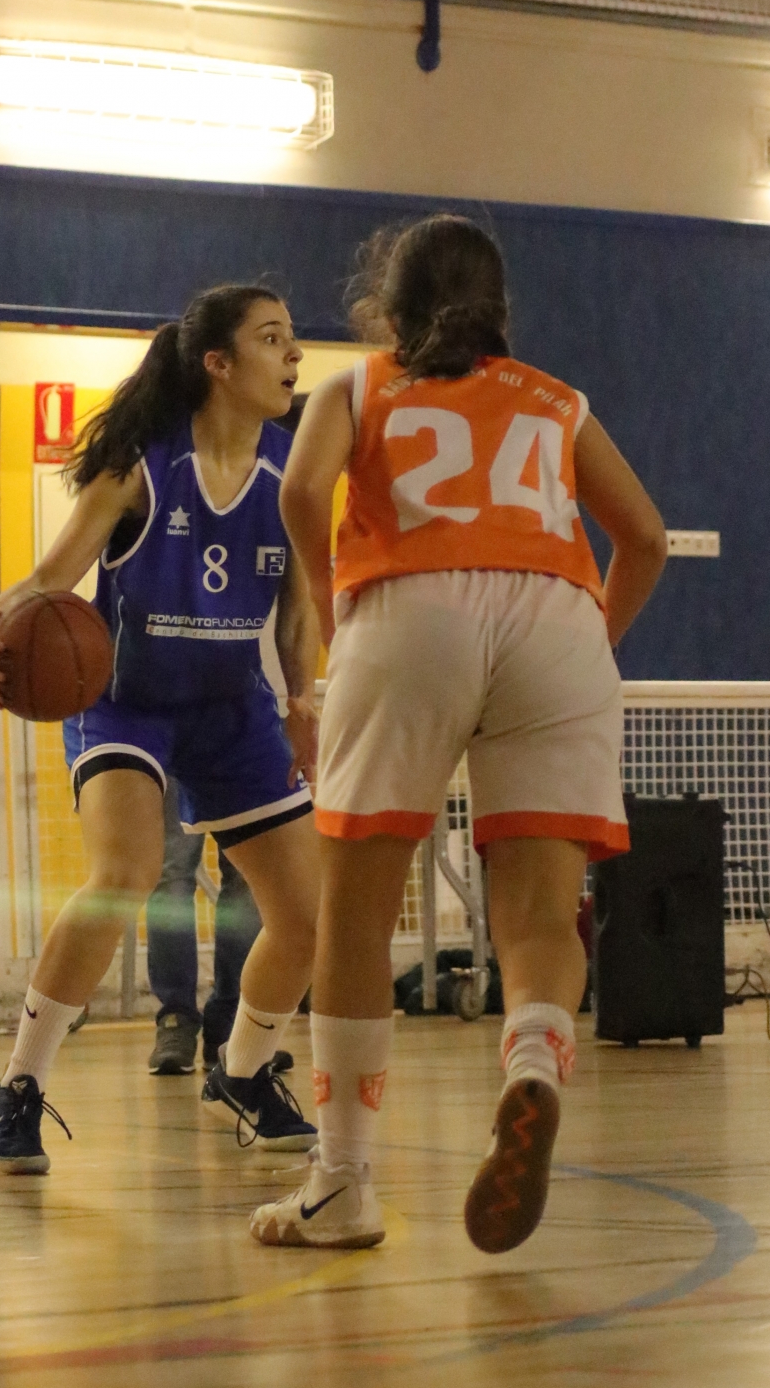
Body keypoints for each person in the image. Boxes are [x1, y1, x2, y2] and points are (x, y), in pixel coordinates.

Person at [253, 214, 667, 1250]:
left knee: (354, 914)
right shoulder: (555, 400)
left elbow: (301, 489)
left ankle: (341, 1183)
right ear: (498, 309)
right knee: (539, 915)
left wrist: (328, 598)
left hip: (410, 610)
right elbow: (646, 536)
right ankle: (531, 1063)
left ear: (388, 307)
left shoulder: (359, 386)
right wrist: (589, 644)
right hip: (556, 618)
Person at [0, 285, 323, 1172]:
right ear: (218, 364)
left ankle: (242, 1069)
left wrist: (303, 700)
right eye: (272, 339)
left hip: (231, 707)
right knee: (122, 875)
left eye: (293, 340)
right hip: (127, 699)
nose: (294, 356)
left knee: (309, 915)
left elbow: (298, 610)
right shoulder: (140, 466)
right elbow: (49, 579)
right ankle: (19, 1083)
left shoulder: (297, 472)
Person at [146, 775, 291, 1077]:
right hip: (170, 748)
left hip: (244, 747)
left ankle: (234, 1021)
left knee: (247, 875)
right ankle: (176, 1019)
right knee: (170, 874)